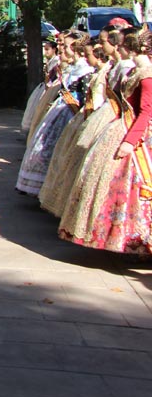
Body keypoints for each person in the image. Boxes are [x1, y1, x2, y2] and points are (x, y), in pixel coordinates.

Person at [63, 28, 152, 253]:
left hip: (139, 136)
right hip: (124, 127)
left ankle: (140, 240)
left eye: (127, 46)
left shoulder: (146, 73)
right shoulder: (138, 71)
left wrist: (130, 141)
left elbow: (146, 111)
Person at [39, 41, 112, 217]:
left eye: (89, 55)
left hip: (96, 114)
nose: (87, 58)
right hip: (82, 112)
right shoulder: (94, 71)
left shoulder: (97, 72)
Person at [16, 37, 93, 195]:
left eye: (65, 47)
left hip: (71, 112)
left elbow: (85, 97)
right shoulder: (71, 67)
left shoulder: (84, 70)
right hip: (62, 108)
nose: (61, 50)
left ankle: (51, 190)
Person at [21, 39, 59, 132]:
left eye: (47, 49)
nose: (45, 52)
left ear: (54, 49)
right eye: (44, 49)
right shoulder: (50, 61)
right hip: (44, 86)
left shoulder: (56, 61)